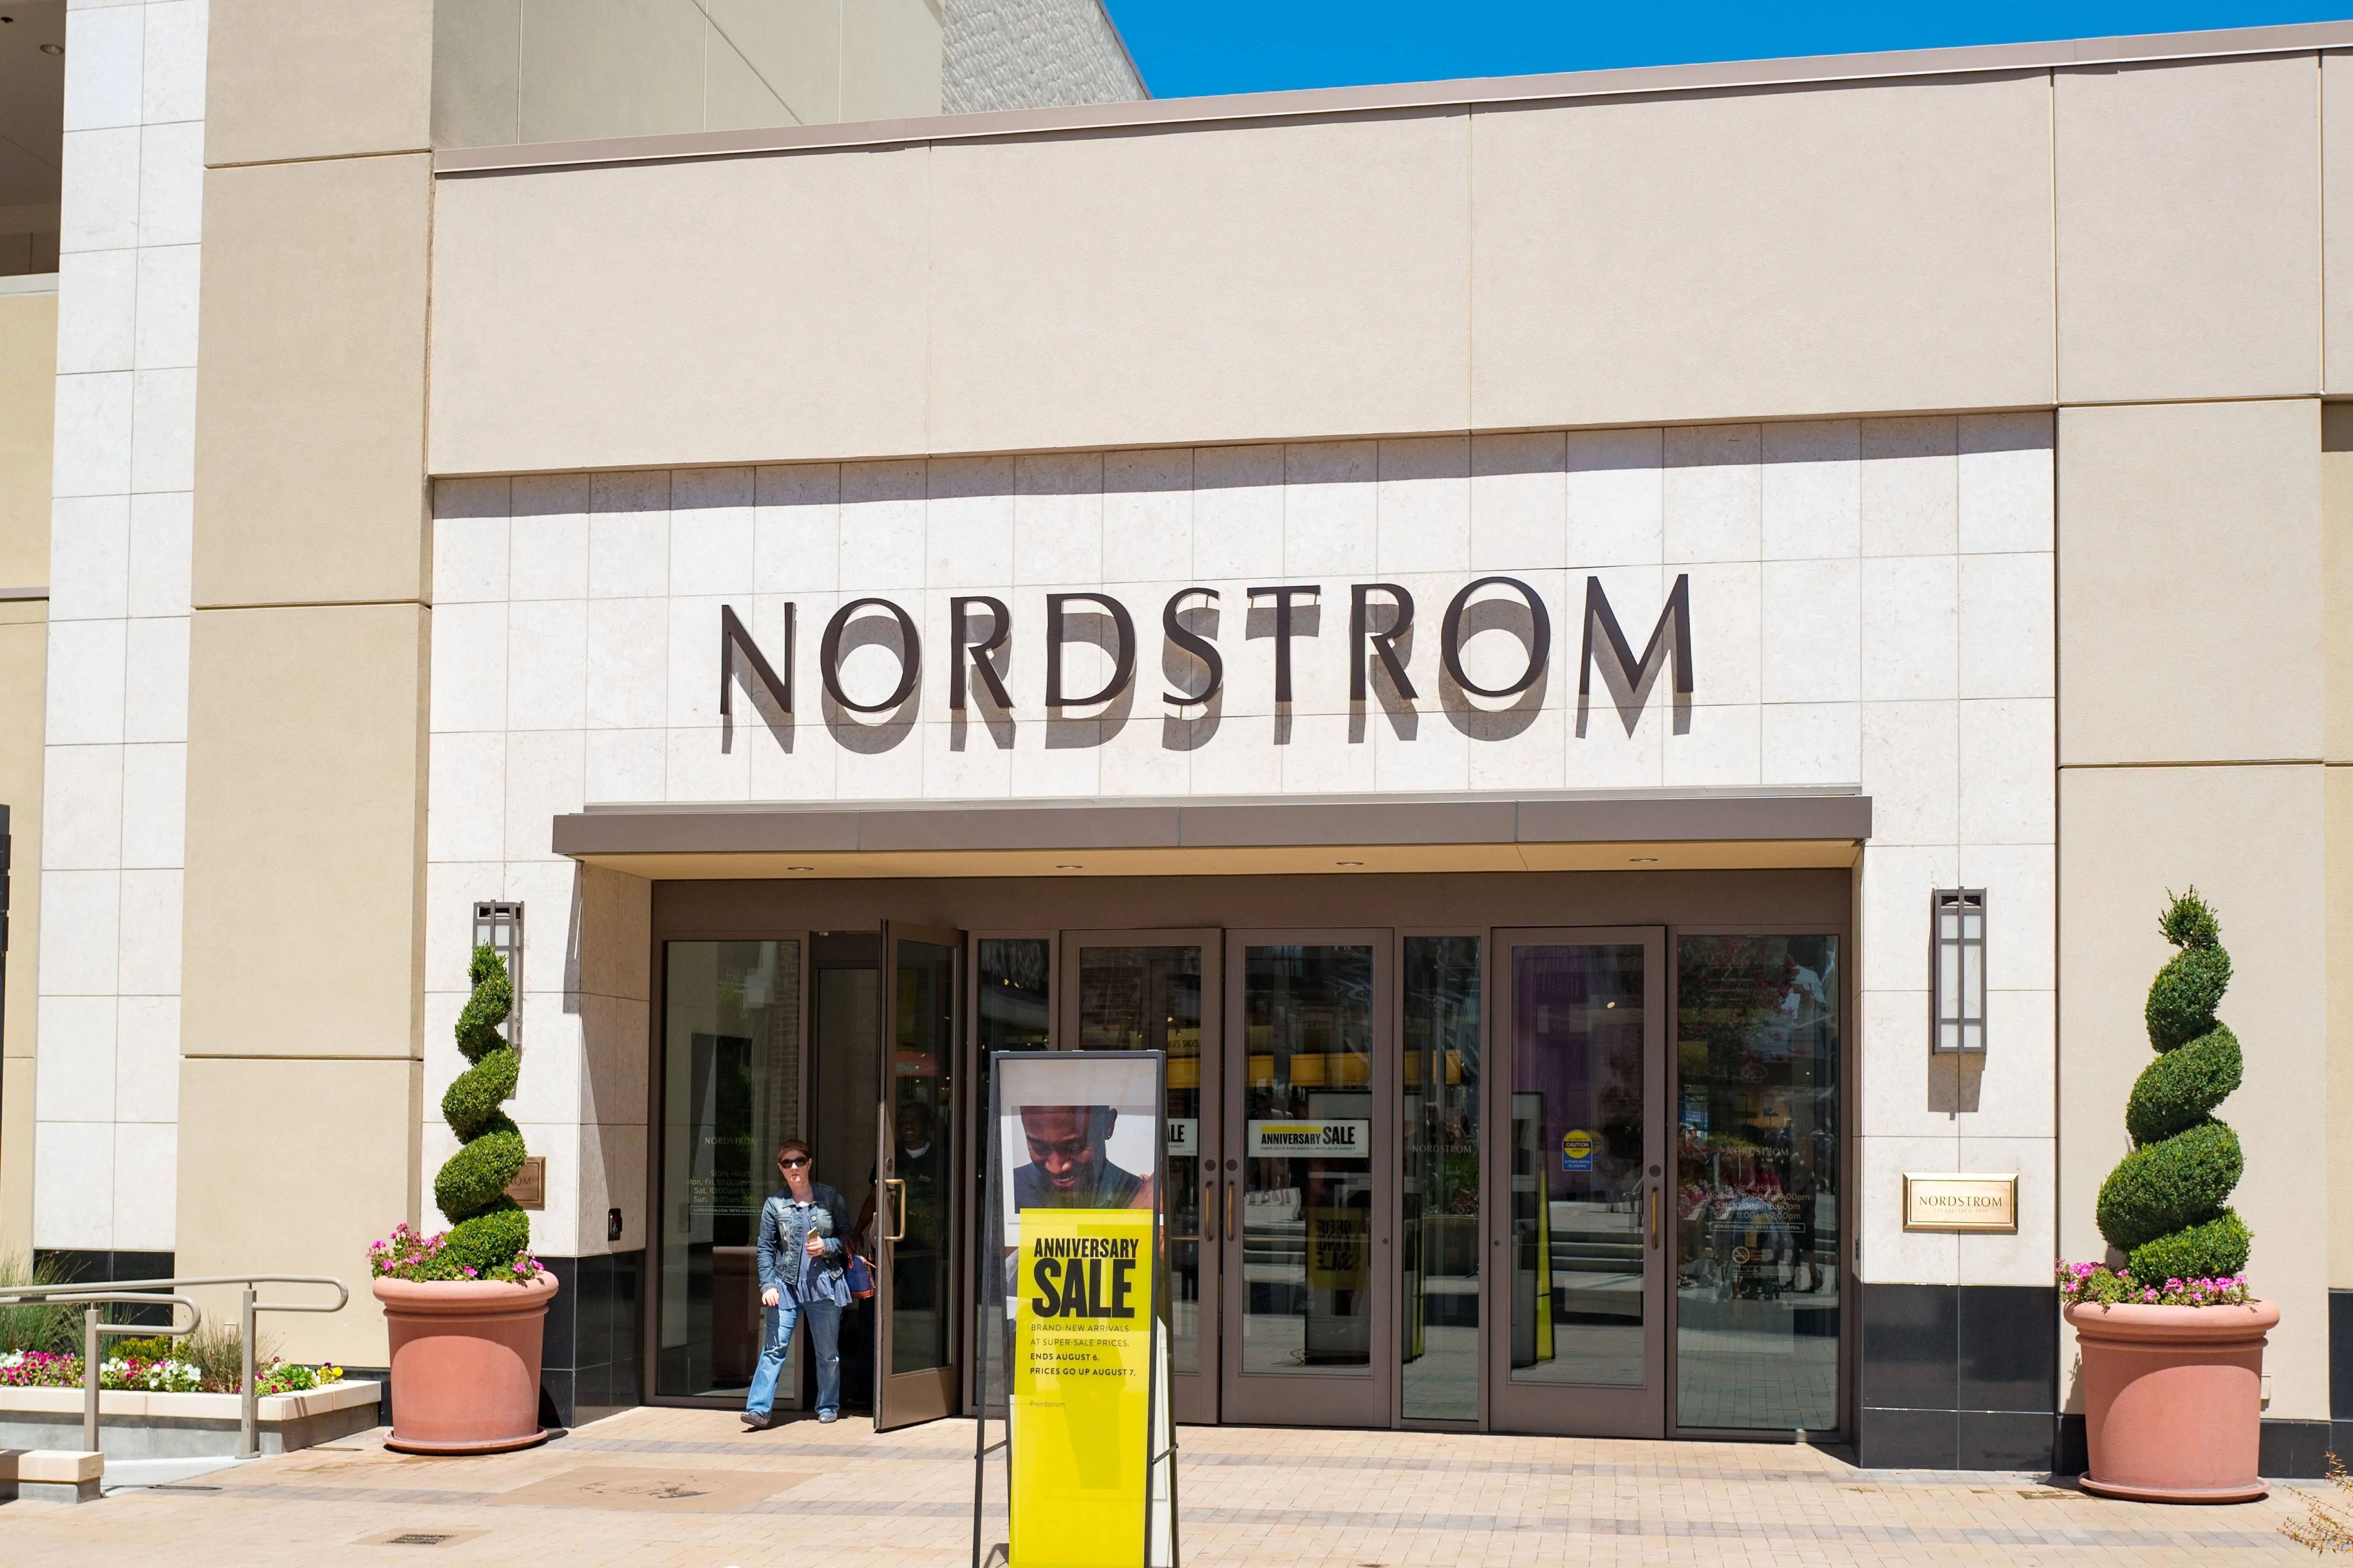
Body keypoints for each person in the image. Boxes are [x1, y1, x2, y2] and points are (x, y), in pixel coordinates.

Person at [744, 1138, 852, 1429]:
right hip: (786, 1286)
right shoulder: (775, 1204)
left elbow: (848, 1238)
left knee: (827, 1352)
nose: (794, 1168)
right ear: (781, 1168)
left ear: (809, 1164)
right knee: (774, 1348)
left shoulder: (830, 1198)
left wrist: (827, 1246)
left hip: (825, 1284)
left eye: (799, 1162)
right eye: (787, 1163)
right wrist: (768, 1285)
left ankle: (828, 1405)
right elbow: (765, 1247)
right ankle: (758, 1410)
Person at [1012, 1104, 1153, 1211]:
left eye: (1075, 1148)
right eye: (1040, 1148)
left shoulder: (1139, 1195)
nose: (1056, 1168)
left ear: (1108, 1125)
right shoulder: (1011, 1190)